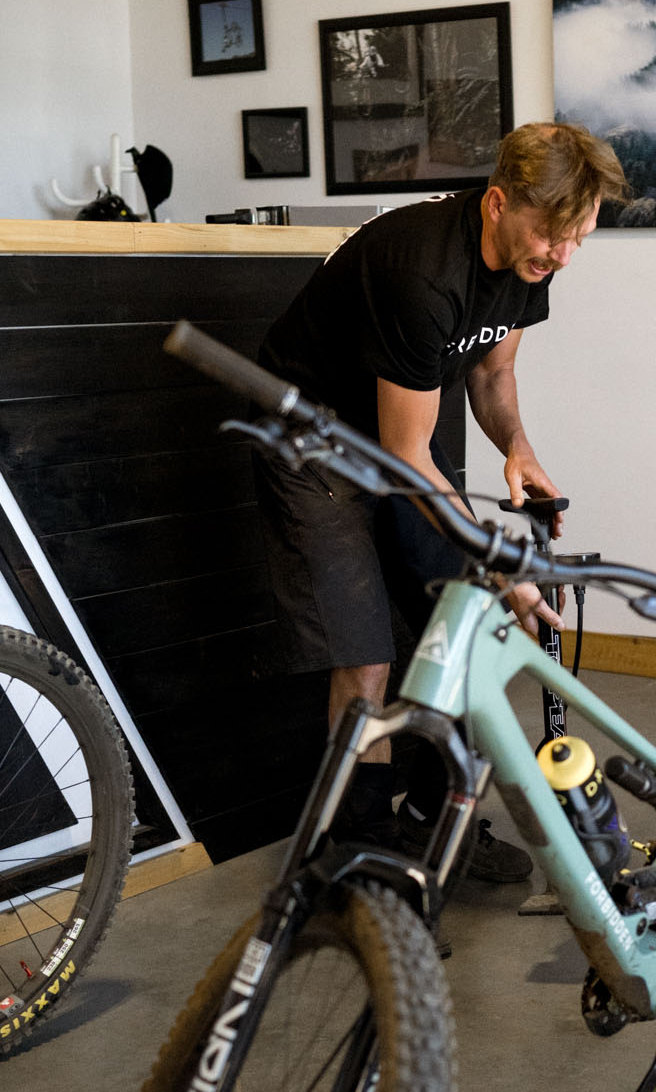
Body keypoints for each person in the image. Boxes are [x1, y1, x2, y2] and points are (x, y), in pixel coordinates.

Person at [251, 121, 629, 882]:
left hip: (397, 435)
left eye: (577, 240)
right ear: (498, 203)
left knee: (459, 625)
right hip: (314, 439)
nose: (562, 256)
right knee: (366, 654)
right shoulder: (423, 273)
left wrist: (518, 447)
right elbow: (405, 454)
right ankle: (361, 848)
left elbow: (491, 373)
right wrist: (497, 561)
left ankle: (435, 822)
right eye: (553, 237)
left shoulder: (532, 256)